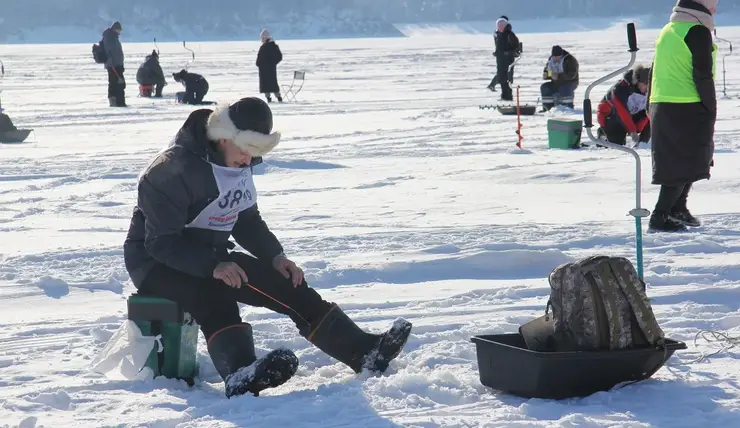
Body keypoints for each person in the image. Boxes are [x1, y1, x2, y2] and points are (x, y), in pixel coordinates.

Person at [123, 97, 413, 398]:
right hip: (155, 264)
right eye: (246, 151)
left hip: (207, 256)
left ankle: (363, 352)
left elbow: (246, 220)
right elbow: (160, 242)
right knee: (214, 291)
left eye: (256, 154)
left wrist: (275, 255)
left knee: (285, 283)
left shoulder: (235, 163)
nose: (249, 161)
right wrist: (213, 267)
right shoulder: (170, 170)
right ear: (224, 138)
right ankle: (239, 374)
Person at [647, 0, 717, 232]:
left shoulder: (669, 30)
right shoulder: (697, 31)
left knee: (683, 160)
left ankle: (678, 208)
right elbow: (702, 74)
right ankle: (660, 216)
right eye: (713, 3)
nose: (715, 8)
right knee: (683, 162)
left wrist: (650, 105)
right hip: (687, 104)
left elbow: (653, 71)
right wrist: (710, 107)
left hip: (663, 103)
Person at [596, 64, 651, 146]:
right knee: (617, 144)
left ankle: (642, 144)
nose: (647, 89)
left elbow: (649, 111)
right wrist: (632, 131)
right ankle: (603, 135)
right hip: (612, 116)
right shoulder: (621, 89)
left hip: (632, 115)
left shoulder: (649, 92)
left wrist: (640, 128)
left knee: (653, 119)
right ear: (638, 82)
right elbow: (622, 112)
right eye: (646, 85)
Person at [487, 17, 520, 101]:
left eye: (501, 26)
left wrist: (508, 53)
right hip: (500, 59)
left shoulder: (510, 35)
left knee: (507, 78)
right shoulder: (498, 34)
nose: (499, 27)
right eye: (498, 26)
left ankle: (508, 96)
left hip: (508, 60)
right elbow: (499, 47)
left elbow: (516, 48)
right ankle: (504, 96)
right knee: (501, 78)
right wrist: (497, 53)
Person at [540, 45, 579, 111]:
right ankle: (547, 108)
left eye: (558, 57)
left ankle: (567, 107)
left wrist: (559, 76)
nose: (556, 58)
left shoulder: (569, 60)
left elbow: (572, 75)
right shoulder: (551, 60)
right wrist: (547, 75)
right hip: (556, 82)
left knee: (564, 88)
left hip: (570, 82)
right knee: (545, 87)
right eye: (554, 57)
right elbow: (548, 70)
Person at [102, 21, 126, 107]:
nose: (119, 32)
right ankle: (117, 102)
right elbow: (109, 52)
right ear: (115, 29)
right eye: (118, 30)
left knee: (117, 84)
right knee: (117, 84)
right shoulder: (109, 37)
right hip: (113, 65)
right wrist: (111, 64)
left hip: (117, 65)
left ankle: (118, 102)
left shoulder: (113, 37)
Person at [256, 29, 283, 103]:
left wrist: (271, 63)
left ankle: (278, 97)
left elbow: (279, 57)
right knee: (266, 85)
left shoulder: (273, 46)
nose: (262, 39)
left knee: (272, 84)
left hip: (270, 69)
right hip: (263, 69)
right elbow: (259, 58)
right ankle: (268, 98)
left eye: (263, 38)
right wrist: (259, 64)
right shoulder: (263, 47)